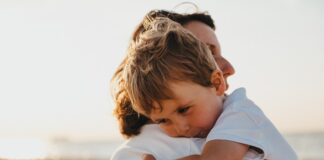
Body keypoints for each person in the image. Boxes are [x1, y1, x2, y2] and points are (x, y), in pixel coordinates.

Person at [118, 17, 297, 160]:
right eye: (163, 121)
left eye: (184, 110)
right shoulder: (142, 145)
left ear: (217, 83)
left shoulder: (240, 112)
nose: (181, 128)